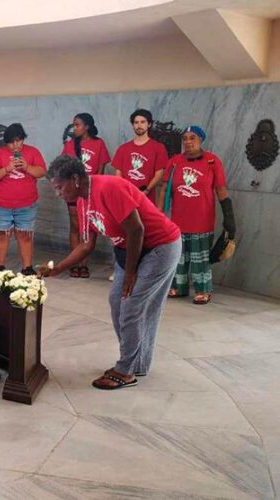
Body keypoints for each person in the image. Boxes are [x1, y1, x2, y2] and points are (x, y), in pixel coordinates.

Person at [42, 155, 181, 389]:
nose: (57, 194)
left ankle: (125, 371)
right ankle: (136, 363)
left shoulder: (109, 187)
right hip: (128, 250)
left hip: (159, 247)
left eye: (59, 187)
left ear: (75, 179)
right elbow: (86, 245)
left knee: (132, 306)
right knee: (117, 301)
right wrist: (58, 268)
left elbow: (136, 230)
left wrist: (130, 275)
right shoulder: (82, 202)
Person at [158, 126, 235, 305]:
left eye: (192, 138)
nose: (188, 142)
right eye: (185, 138)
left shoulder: (212, 161)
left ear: (200, 140)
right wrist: (159, 213)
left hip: (202, 221)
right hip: (178, 221)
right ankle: (179, 287)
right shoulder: (175, 161)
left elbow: (221, 190)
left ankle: (203, 290)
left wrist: (229, 217)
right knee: (179, 257)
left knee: (200, 258)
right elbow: (164, 189)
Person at [0, 123, 46, 276]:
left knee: (24, 235)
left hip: (26, 204)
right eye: (12, 142)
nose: (16, 145)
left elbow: (41, 172)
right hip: (1, 204)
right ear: (6, 142)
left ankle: (27, 268)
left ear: (23, 139)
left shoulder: (33, 152)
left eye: (19, 141)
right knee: (2, 235)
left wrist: (26, 167)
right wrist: (6, 169)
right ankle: (0, 267)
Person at [60, 113, 111, 278]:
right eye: (73, 125)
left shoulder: (99, 143)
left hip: (90, 192)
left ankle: (84, 264)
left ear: (87, 126)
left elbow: (101, 171)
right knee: (75, 227)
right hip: (73, 192)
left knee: (87, 228)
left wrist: (95, 191)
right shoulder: (70, 145)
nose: (74, 128)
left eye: (77, 125)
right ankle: (74, 263)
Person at [112, 109, 168, 206]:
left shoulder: (158, 148)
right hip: (126, 198)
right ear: (132, 125)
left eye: (142, 122)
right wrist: (124, 192)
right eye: (136, 122)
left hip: (147, 199)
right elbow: (118, 174)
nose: (139, 125)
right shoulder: (123, 149)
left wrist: (146, 190)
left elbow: (159, 174)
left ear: (149, 124)